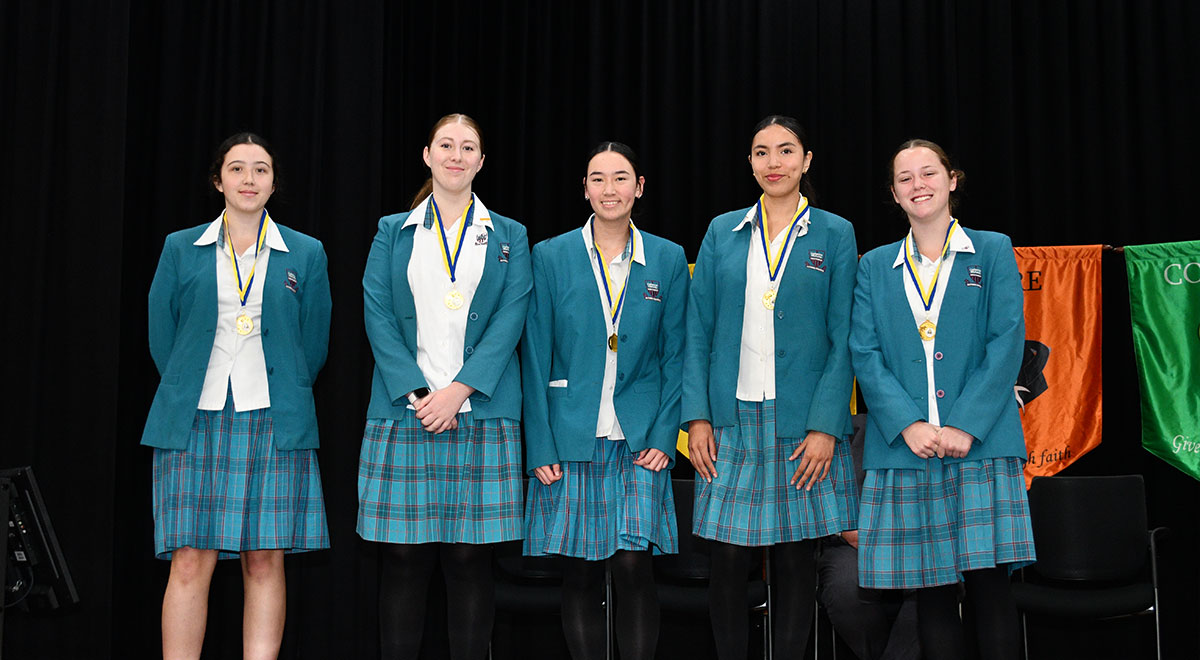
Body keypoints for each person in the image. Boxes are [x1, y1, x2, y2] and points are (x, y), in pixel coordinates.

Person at [143, 132, 332, 660]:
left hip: (275, 418)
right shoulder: (181, 247)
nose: (249, 180)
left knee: (265, 558)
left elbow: (313, 344)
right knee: (190, 558)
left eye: (261, 170)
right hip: (193, 418)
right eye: (238, 169)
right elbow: (164, 337)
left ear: (274, 182)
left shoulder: (307, 253)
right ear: (218, 180)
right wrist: (189, 385)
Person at [849, 139, 1036, 660]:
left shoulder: (994, 249)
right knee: (930, 595)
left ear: (952, 179)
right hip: (908, 449)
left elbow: (1006, 342)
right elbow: (863, 352)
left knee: (990, 589)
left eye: (928, 173)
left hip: (982, 444)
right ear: (894, 193)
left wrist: (965, 425)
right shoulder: (874, 266)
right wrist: (908, 423)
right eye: (905, 178)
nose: (918, 185)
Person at [682, 115, 859, 659]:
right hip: (730, 418)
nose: (774, 162)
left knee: (794, 560)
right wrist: (698, 419)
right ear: (751, 163)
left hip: (802, 422)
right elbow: (698, 329)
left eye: (786, 151)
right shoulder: (722, 231)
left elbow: (844, 337)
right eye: (762, 152)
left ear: (806, 161)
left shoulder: (835, 232)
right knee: (729, 561)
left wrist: (827, 425)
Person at [357, 113, 531, 660]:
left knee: (468, 558)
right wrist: (418, 392)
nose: (456, 155)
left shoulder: (510, 235)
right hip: (404, 411)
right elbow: (377, 313)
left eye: (468, 147)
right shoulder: (392, 230)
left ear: (481, 161)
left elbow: (512, 317)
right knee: (404, 559)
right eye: (446, 145)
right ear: (427, 155)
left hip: (481, 412)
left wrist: (459, 390)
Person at [522, 142, 688, 660]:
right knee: (581, 568)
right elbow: (534, 355)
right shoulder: (550, 255)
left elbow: (678, 357)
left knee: (634, 565)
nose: (609, 189)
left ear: (639, 187)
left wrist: (665, 436)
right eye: (598, 178)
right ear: (585, 189)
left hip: (640, 438)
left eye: (621, 178)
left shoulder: (667, 256)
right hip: (571, 434)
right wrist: (540, 446)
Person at [816, 415, 920, 660]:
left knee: (937, 588)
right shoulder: (834, 420)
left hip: (915, 538)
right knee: (846, 589)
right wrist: (843, 527)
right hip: (849, 539)